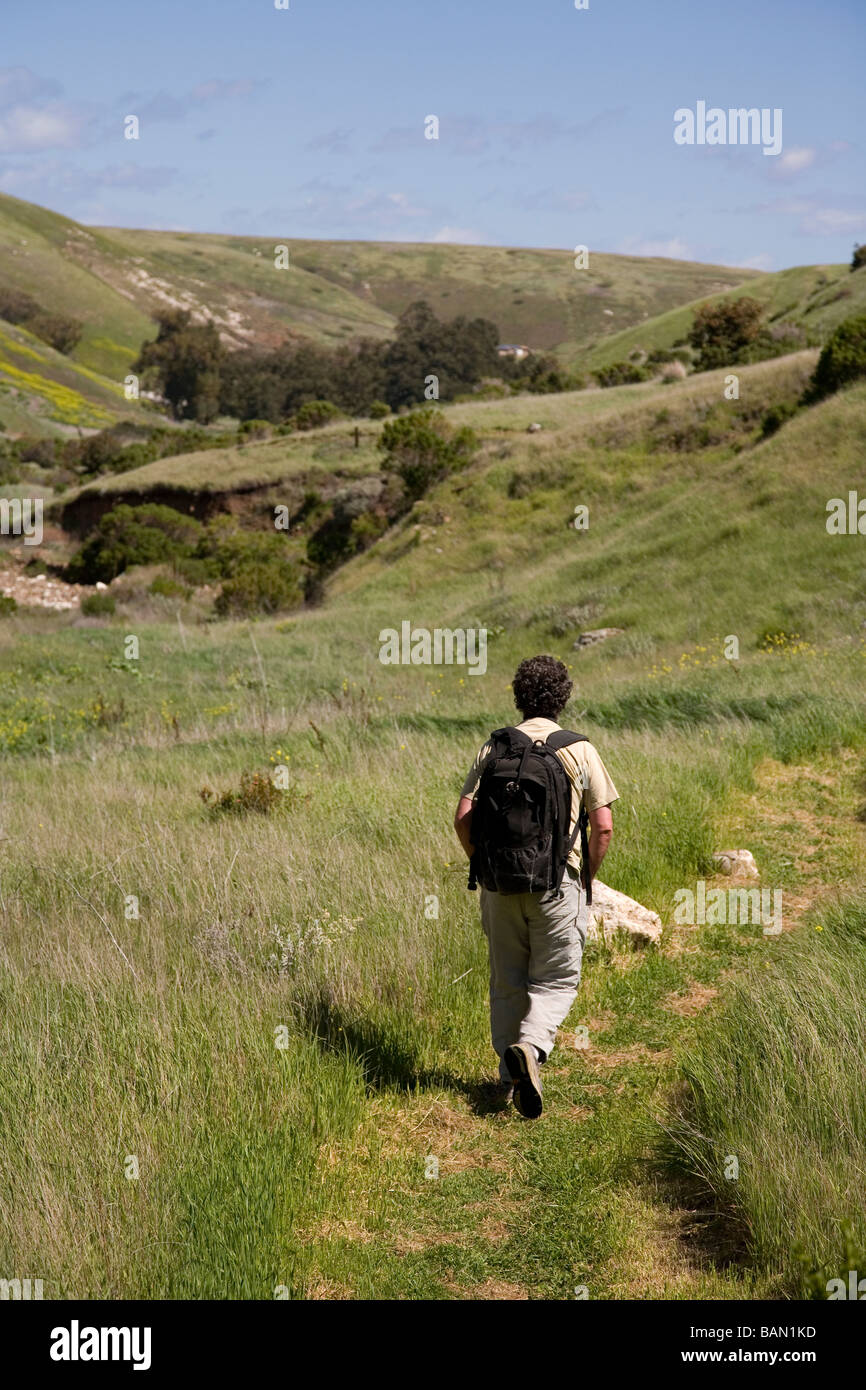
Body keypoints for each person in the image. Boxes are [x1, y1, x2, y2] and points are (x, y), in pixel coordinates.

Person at [454, 655, 618, 1118]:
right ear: (562, 697)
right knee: (556, 978)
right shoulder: (579, 749)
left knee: (507, 979)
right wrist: (585, 877)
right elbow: (602, 827)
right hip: (555, 884)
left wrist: (484, 866)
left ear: (519, 697)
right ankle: (531, 1047)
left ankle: (508, 1078)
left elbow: (463, 818)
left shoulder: (495, 746)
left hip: (498, 883)